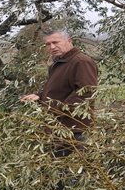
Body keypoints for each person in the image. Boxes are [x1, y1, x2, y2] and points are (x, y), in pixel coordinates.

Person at [20, 29, 98, 157]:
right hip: (57, 128)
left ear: (69, 41)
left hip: (73, 129)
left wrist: (55, 109)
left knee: (69, 172)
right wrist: (39, 96)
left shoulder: (81, 62)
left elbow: (86, 94)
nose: (52, 47)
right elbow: (60, 89)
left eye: (56, 42)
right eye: (48, 44)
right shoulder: (59, 63)